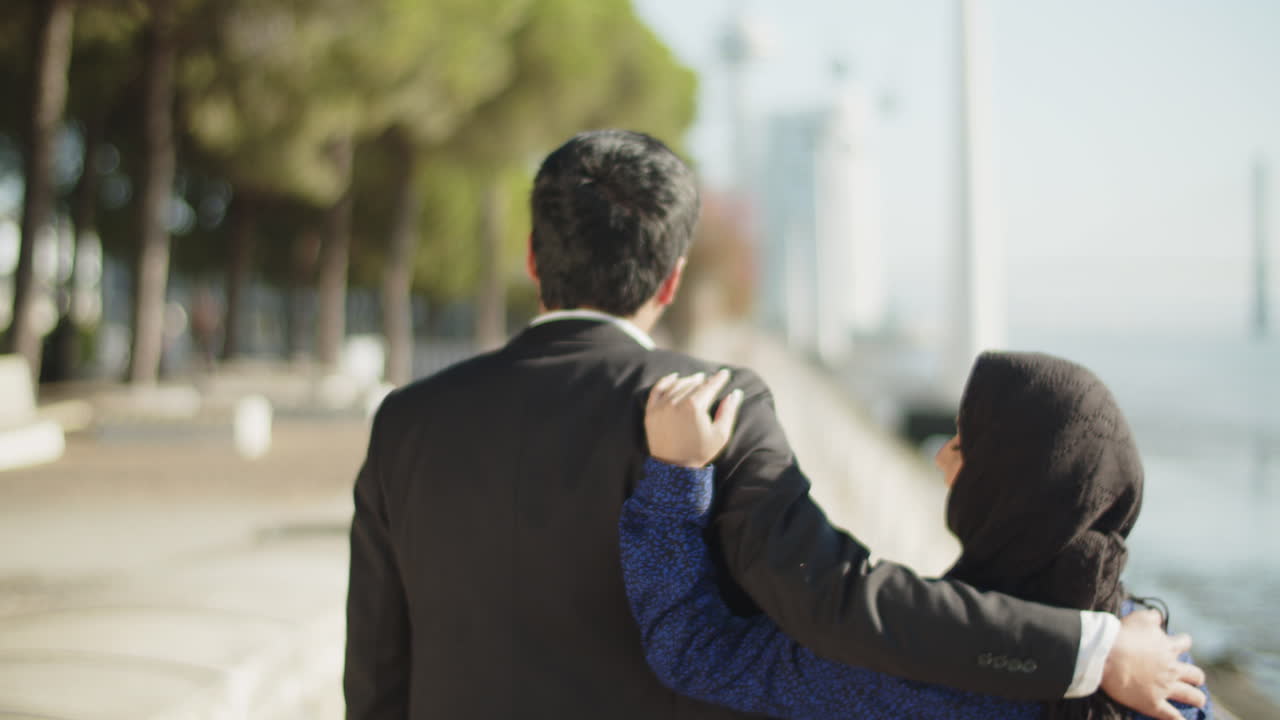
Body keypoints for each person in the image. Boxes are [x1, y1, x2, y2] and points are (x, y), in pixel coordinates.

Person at [343, 130, 1205, 719]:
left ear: (534, 259)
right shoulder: (719, 401)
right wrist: (1087, 651)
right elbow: (832, 600)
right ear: (673, 278)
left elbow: (376, 670)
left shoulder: (407, 422)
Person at [625, 353, 1210, 719]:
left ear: (1004, 489)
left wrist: (676, 476)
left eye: (963, 445)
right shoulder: (1164, 674)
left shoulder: (898, 675)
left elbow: (698, 652)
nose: (941, 461)